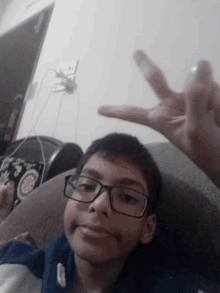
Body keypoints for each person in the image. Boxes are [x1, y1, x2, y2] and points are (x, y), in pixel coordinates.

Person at [0, 49, 220, 292]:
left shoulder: (174, 287)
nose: (100, 205)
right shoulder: (14, 263)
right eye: (86, 186)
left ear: (148, 227)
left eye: (127, 196)